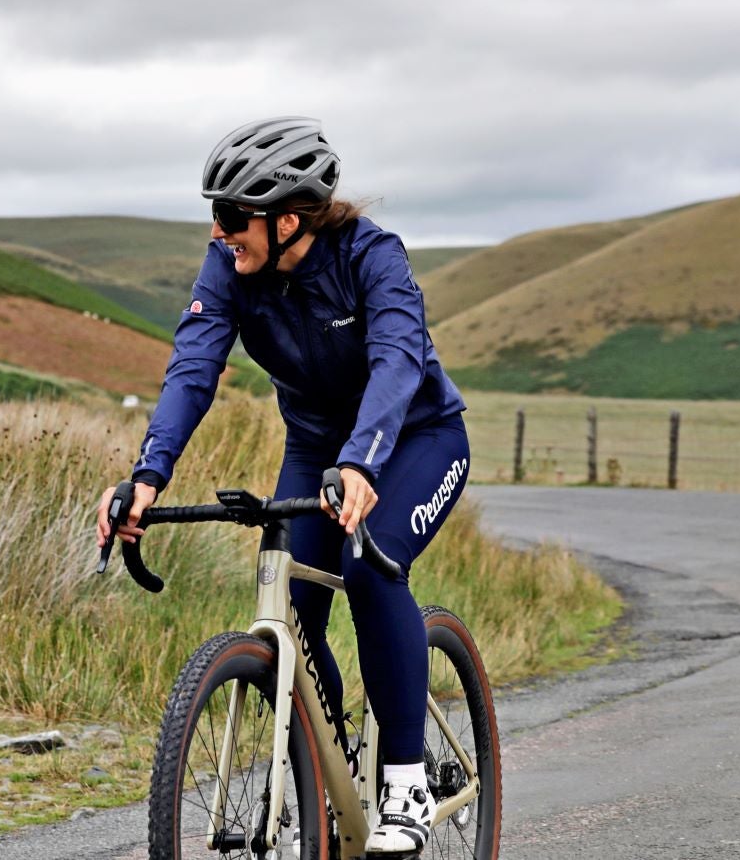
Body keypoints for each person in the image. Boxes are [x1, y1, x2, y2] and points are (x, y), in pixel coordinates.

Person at [95, 116, 470, 854]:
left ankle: (403, 779)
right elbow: (194, 365)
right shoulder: (229, 267)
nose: (218, 230)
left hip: (413, 439)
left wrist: (364, 459)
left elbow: (397, 358)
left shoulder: (372, 257)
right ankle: (322, 774)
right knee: (295, 610)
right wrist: (147, 476)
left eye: (233, 216)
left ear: (287, 218)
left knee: (369, 567)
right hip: (314, 447)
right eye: (214, 213)